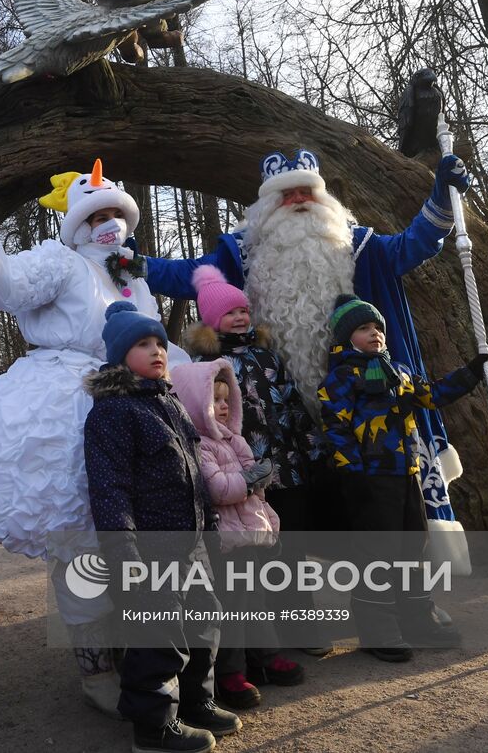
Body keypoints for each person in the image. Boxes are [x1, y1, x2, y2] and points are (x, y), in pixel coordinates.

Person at [0, 160, 169, 714]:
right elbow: (6, 286)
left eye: (115, 214)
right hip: (69, 399)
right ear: (77, 224)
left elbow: (155, 343)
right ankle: (94, 667)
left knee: (137, 530)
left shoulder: (132, 276)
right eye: (97, 215)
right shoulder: (61, 262)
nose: (108, 224)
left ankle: (141, 649)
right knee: (80, 536)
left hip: (135, 400)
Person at [146, 148, 474, 553]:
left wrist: (441, 199)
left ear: (324, 200)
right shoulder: (243, 254)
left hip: (365, 413)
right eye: (287, 195)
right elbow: (185, 275)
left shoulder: (358, 246)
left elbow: (415, 245)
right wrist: (134, 263)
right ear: (266, 207)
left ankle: (404, 603)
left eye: (306, 192)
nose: (298, 200)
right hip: (284, 426)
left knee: (389, 515)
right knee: (297, 524)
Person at [84, 301, 239, 753]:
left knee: (204, 621)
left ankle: (197, 701)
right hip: (149, 549)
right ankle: (154, 727)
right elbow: (109, 488)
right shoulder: (112, 414)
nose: (156, 351)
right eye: (142, 344)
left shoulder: (168, 403)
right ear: (118, 356)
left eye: (159, 343)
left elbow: (193, 474)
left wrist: (209, 527)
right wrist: (124, 553)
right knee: (160, 637)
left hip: (189, 542)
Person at [317, 294, 488, 661]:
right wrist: (353, 475)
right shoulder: (340, 379)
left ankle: (418, 616)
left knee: (414, 548)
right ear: (346, 337)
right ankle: (377, 628)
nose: (375, 334)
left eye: (378, 328)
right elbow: (335, 429)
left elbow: (431, 395)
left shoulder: (397, 371)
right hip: (369, 480)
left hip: (407, 473)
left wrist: (472, 371)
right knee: (377, 554)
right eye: (364, 329)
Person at [181, 265, 330, 658]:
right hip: (242, 475)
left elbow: (293, 404)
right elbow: (206, 418)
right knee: (256, 556)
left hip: (286, 466)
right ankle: (265, 639)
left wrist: (313, 449)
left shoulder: (267, 356)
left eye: (244, 310)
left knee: (292, 550)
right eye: (230, 313)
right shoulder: (207, 365)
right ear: (214, 321)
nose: (241, 317)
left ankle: (302, 624)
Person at [170, 358, 304, 711]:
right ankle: (231, 672)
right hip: (225, 542)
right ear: (194, 405)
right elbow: (219, 489)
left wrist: (260, 494)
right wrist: (251, 479)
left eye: (227, 399)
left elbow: (258, 486)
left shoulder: (234, 440)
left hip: (252, 536)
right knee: (232, 608)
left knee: (257, 601)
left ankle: (265, 656)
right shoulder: (199, 444)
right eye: (215, 400)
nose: (225, 406)